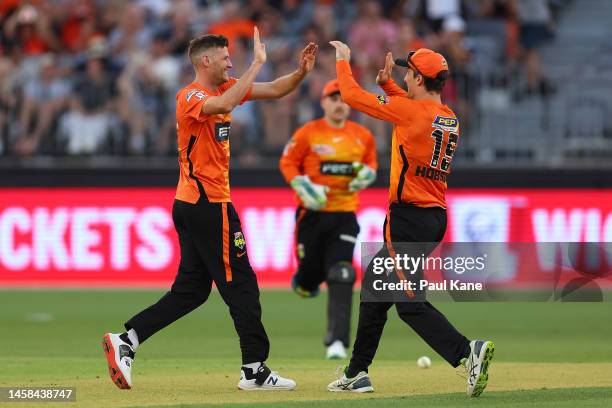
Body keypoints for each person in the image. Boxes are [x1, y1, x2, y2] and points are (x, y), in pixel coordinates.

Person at [102, 28, 318, 391]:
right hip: (208, 204)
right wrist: (257, 64)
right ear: (206, 61)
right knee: (242, 285)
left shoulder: (225, 88)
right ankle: (254, 370)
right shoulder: (191, 95)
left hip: (196, 203)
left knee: (191, 291)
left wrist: (301, 73)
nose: (230, 63)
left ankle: (128, 340)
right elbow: (224, 105)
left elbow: (276, 89)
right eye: (225, 58)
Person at [326, 42, 494, 397]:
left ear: (418, 77)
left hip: (408, 218)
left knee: (409, 303)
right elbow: (415, 110)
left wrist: (343, 60)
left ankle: (468, 353)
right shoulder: (448, 117)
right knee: (375, 289)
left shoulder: (411, 113)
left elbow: (352, 97)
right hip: (434, 215)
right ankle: (357, 372)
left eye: (407, 71)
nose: (403, 74)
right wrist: (389, 86)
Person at [279, 79, 377, 360]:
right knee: (310, 279)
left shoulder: (362, 136)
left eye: (343, 99)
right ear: (323, 102)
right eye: (333, 99)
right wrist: (301, 185)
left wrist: (367, 175)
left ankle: (337, 342)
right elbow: (287, 162)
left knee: (342, 273)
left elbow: (370, 164)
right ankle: (306, 280)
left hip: (344, 215)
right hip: (311, 216)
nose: (339, 104)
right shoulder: (308, 133)